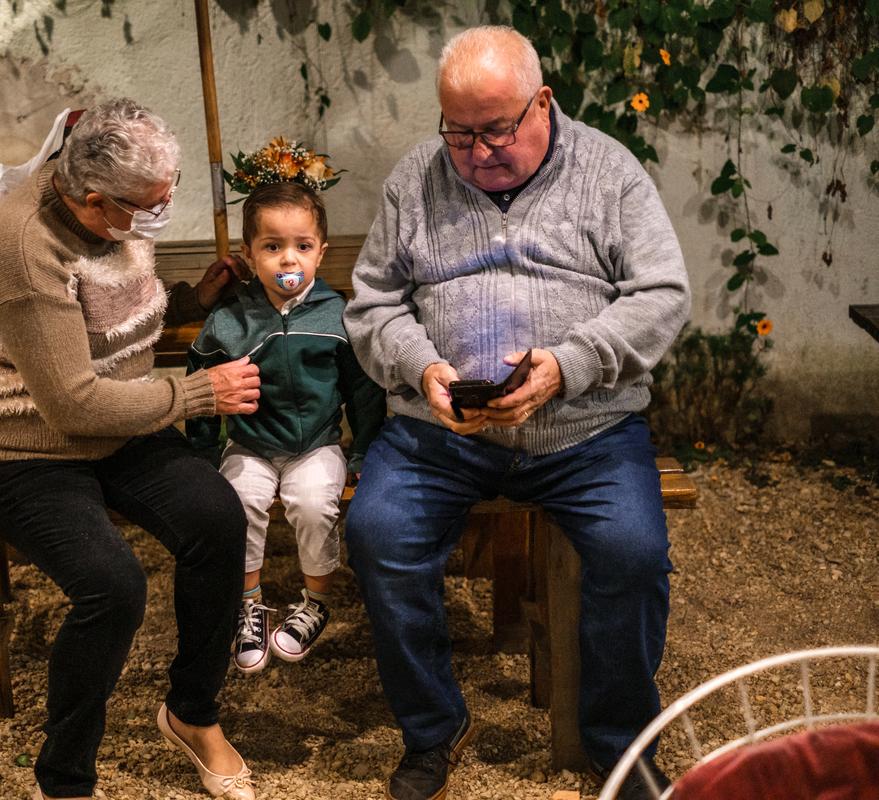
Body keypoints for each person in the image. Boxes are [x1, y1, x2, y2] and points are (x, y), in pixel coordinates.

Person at [342, 26, 691, 800]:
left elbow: (663, 295)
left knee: (632, 556)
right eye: (458, 132)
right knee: (377, 534)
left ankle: (617, 744)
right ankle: (434, 728)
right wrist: (421, 368)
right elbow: (371, 308)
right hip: (442, 433)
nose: (476, 151)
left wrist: (569, 367)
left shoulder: (607, 170)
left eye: (495, 130)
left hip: (586, 430)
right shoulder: (415, 180)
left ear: (543, 104)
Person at [0, 98, 262, 800]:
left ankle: (192, 713)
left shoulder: (114, 209)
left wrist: (187, 301)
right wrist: (199, 393)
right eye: (152, 203)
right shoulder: (21, 246)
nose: (161, 211)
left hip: (111, 421)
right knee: (112, 586)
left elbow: (102, 317)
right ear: (90, 200)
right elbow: (73, 403)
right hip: (11, 442)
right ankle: (65, 777)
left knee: (217, 518)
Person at [186, 181, 386, 674]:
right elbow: (200, 386)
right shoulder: (230, 320)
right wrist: (202, 457)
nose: (288, 260)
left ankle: (315, 602)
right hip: (249, 444)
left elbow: (364, 392)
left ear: (321, 252)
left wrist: (363, 450)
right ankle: (248, 605)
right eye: (272, 247)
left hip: (317, 444)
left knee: (315, 504)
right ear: (249, 257)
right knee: (239, 504)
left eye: (301, 246)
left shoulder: (337, 315)